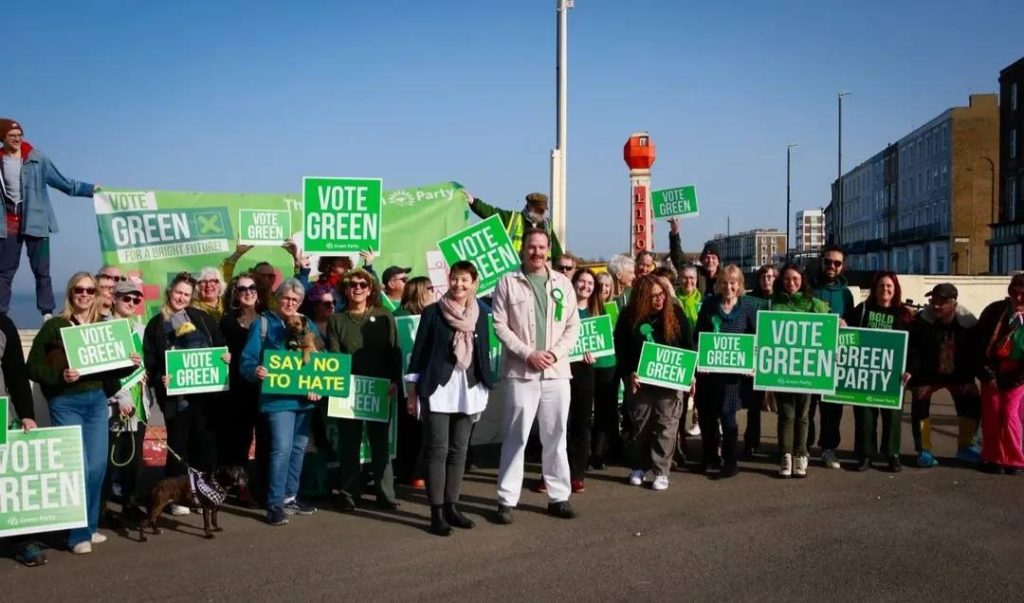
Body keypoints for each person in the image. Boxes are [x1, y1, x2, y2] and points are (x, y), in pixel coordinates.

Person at [27, 272, 141, 554]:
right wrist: (60, 375)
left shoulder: (101, 327)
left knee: (97, 467)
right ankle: (77, 535)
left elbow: (109, 372)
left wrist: (128, 364)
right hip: (66, 403)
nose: (85, 294)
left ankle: (89, 526)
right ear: (70, 292)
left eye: (90, 290)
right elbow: (33, 368)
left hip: (95, 401)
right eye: (80, 289)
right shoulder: (55, 326)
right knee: (78, 468)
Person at [492, 228, 580, 524]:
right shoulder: (507, 282)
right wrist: (528, 353)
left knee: (556, 436)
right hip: (521, 372)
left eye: (542, 248)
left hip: (557, 373)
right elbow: (500, 325)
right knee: (515, 437)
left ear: (548, 251)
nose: (537, 252)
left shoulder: (563, 283)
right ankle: (506, 500)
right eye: (532, 247)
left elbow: (573, 326)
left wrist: (553, 354)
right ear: (523, 248)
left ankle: (558, 496)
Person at [405, 261, 493, 536]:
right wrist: (412, 392)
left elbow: (483, 350)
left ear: (474, 282)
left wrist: (485, 383)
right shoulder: (432, 312)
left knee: (459, 451)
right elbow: (418, 353)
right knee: (437, 449)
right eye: (454, 279)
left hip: (468, 386)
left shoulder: (480, 314)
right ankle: (437, 511)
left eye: (465, 280)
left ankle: (453, 506)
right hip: (439, 387)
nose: (459, 285)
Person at [143, 271, 228, 515]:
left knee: (203, 446)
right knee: (178, 447)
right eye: (178, 292)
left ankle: (200, 495)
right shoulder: (156, 323)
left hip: (204, 398)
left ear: (192, 298)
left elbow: (220, 343)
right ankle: (176, 498)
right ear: (170, 292)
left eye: (186, 295)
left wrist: (226, 356)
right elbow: (151, 360)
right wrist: (161, 377)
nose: (181, 297)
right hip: (175, 399)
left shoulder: (201, 317)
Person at [0, 118, 99, 323]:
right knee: (4, 271)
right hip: (8, 224)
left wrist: (92, 190)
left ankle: (46, 312)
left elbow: (64, 183)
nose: (17, 139)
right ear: (3, 138)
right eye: (12, 136)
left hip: (36, 222)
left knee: (42, 271)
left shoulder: (37, 159)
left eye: (20, 135)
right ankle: (1, 313)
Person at [241, 279, 321, 525]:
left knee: (298, 449)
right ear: (277, 298)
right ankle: (274, 503)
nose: (290, 303)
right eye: (286, 298)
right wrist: (256, 371)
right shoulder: (263, 323)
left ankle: (289, 497)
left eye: (295, 300)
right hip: (277, 400)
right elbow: (247, 361)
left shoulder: (308, 324)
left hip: (304, 400)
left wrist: (318, 385)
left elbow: (322, 359)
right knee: (281, 449)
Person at [326, 268, 403, 512]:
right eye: (352, 285)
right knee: (349, 445)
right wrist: (341, 384)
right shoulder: (336, 320)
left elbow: (394, 351)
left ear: (370, 290)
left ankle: (385, 494)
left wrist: (393, 381)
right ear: (346, 290)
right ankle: (349, 493)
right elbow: (335, 355)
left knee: (380, 444)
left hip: (379, 388)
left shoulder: (384, 316)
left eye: (362, 284)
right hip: (348, 390)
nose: (357, 288)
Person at [614, 274, 694, 491]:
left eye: (661, 295)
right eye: (652, 297)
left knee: (666, 425)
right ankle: (639, 466)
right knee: (641, 424)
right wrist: (629, 372)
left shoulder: (675, 313)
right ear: (641, 298)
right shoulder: (628, 317)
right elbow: (621, 348)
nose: (658, 300)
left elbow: (688, 345)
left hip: (670, 379)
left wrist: (691, 374)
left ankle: (661, 471)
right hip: (640, 381)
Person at [843, 272, 913, 472]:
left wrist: (911, 370)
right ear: (875, 289)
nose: (885, 290)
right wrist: (843, 324)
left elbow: (914, 346)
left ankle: (892, 454)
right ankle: (865, 455)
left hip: (894, 375)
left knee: (892, 417)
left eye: (889, 286)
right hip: (865, 373)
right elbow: (847, 329)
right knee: (865, 416)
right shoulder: (863, 309)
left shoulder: (904, 314)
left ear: (895, 289)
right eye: (881, 286)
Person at [693, 265, 758, 478]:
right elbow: (698, 336)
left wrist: (753, 363)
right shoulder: (709, 305)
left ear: (739, 285)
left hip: (734, 377)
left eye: (733, 283)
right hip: (709, 375)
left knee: (728, 418)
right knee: (708, 418)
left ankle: (731, 462)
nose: (728, 287)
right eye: (724, 282)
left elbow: (757, 338)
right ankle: (710, 456)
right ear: (718, 284)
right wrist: (698, 363)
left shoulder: (748, 307)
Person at [906, 283, 980, 468]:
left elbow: (975, 353)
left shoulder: (968, 323)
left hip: (959, 372)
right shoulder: (922, 322)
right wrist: (912, 372)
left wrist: (970, 378)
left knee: (971, 400)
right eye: (933, 301)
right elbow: (914, 350)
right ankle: (924, 449)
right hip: (928, 372)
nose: (936, 306)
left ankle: (966, 446)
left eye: (941, 302)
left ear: (954, 303)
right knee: (920, 399)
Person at [770, 263, 830, 478]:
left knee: (803, 414)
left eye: (795, 279)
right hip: (782, 368)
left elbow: (828, 328)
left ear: (802, 280)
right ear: (781, 281)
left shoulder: (815, 304)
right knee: (786, 414)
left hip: (807, 368)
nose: (791, 283)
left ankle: (801, 454)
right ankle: (785, 455)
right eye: (787, 279)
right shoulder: (772, 304)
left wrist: (838, 323)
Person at [102, 280, 152, 524]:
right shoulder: (104, 328)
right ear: (114, 299)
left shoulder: (140, 330)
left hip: (139, 404)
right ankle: (101, 510)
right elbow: (104, 370)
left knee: (133, 461)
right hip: (114, 405)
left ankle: (129, 505)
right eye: (126, 299)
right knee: (110, 461)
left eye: (136, 300)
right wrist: (120, 397)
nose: (131, 303)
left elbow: (147, 362)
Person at [218, 272, 266, 504]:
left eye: (252, 288)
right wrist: (221, 356)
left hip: (263, 389)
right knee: (239, 442)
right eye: (242, 289)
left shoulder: (267, 319)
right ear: (235, 294)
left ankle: (265, 487)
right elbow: (215, 352)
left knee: (266, 442)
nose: (248, 292)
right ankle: (240, 488)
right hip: (237, 392)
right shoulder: (227, 321)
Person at [808, 244, 855, 469]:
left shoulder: (846, 295)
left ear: (842, 266)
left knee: (832, 409)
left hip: (834, 360)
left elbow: (853, 328)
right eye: (828, 262)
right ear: (821, 261)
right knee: (807, 407)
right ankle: (804, 447)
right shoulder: (808, 288)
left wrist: (846, 324)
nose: (832, 266)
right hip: (809, 358)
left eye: (837, 263)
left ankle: (828, 449)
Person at [975, 274, 1024, 474]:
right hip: (992, 369)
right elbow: (978, 344)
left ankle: (1015, 459)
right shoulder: (995, 311)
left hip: (1018, 373)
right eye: (1014, 292)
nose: (1018, 298)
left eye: (1023, 294)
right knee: (992, 413)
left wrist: (1011, 380)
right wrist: (988, 375)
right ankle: (993, 457)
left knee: (1010, 415)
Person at [567, 268, 601, 492]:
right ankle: (551, 473)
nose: (586, 286)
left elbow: (602, 342)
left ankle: (577, 473)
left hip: (586, 372)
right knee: (559, 425)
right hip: (562, 370)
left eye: (590, 283)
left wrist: (595, 353)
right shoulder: (563, 310)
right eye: (582, 281)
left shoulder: (596, 314)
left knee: (581, 424)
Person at [466, 190, 563, 260]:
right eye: (538, 210)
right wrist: (474, 202)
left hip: (538, 272)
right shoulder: (513, 218)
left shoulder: (547, 225)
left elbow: (556, 254)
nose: (541, 213)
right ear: (529, 206)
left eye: (543, 210)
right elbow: (491, 212)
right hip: (516, 272)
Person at [744, 263, 777, 456]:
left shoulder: (781, 299)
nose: (767, 280)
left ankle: (784, 446)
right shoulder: (749, 299)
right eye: (764, 276)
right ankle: (751, 442)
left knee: (781, 403)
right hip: (756, 354)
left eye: (771, 277)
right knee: (754, 405)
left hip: (777, 355)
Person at [668, 218, 719, 296]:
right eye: (707, 257)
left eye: (713, 258)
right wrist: (675, 234)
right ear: (702, 260)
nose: (710, 261)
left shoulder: (725, 276)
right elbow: (677, 257)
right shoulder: (696, 272)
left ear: (718, 260)